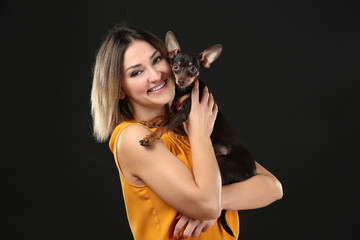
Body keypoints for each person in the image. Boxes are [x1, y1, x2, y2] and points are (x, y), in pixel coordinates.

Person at [90, 25, 283, 240]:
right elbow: (207, 204)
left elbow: (272, 187)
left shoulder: (187, 126)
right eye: (136, 72)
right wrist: (200, 134)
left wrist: (218, 203)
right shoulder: (133, 137)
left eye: (156, 60)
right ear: (118, 89)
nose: (155, 75)